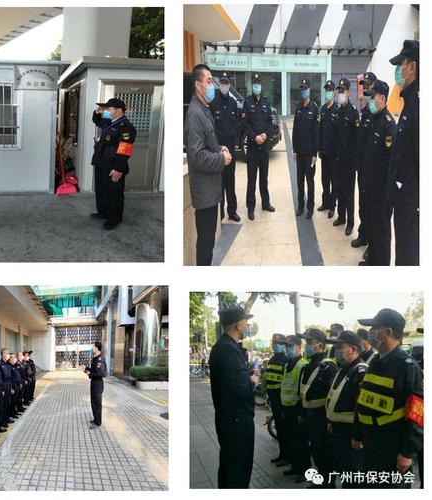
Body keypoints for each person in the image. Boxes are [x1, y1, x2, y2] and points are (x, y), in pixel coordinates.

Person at [353, 309, 423, 488]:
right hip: (370, 442)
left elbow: (416, 414)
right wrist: (357, 434)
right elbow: (364, 400)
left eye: (374, 328)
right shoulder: (374, 362)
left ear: (387, 332)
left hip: (392, 446)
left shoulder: (407, 367)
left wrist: (407, 453)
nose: (370, 332)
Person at [185, 64, 232, 265]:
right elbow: (196, 156)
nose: (212, 85)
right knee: (205, 243)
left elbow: (207, 143)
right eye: (209, 81)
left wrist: (219, 148)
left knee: (208, 241)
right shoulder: (195, 114)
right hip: (204, 192)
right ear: (198, 85)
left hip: (211, 189)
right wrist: (221, 159)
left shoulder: (204, 109)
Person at [209, 306, 259, 488]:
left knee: (229, 467)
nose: (247, 325)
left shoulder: (221, 347)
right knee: (238, 470)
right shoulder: (229, 350)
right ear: (239, 325)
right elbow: (240, 391)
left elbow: (230, 381)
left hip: (228, 419)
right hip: (237, 422)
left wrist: (247, 377)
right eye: (245, 321)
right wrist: (253, 382)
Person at [387, 40, 419, 265]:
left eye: (401, 64)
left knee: (408, 258)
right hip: (403, 199)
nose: (398, 70)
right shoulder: (409, 100)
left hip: (411, 203)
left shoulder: (418, 103)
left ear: (412, 67)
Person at [358, 80, 396, 266]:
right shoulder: (374, 119)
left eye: (372, 97)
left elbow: (392, 162)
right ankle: (372, 261)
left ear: (382, 98)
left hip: (381, 192)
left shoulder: (388, 125)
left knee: (381, 233)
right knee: (372, 228)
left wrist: (388, 192)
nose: (370, 100)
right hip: (370, 187)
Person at [325, 331, 368, 488]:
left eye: (340, 347)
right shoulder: (343, 368)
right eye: (335, 347)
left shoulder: (360, 371)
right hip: (339, 429)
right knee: (343, 469)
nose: (336, 350)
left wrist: (358, 436)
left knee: (353, 474)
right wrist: (332, 421)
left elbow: (361, 408)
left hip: (351, 432)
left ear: (354, 349)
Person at [297, 329, 338, 487]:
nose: (306, 345)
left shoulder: (328, 366)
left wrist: (330, 420)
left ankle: (328, 485)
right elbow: (303, 391)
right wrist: (302, 413)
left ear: (320, 346)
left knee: (325, 451)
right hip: (311, 416)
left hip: (323, 417)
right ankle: (321, 481)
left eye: (309, 342)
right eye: (306, 342)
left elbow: (333, 394)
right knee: (316, 450)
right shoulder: (308, 365)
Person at [91, 98, 137, 230]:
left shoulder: (125, 127)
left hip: (113, 165)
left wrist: (118, 169)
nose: (107, 111)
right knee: (101, 190)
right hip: (101, 162)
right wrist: (97, 112)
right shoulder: (109, 122)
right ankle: (103, 212)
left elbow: (125, 150)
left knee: (113, 193)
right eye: (106, 109)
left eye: (109, 109)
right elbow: (97, 121)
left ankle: (114, 218)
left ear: (119, 110)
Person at [243, 73, 276, 220]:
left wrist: (265, 135)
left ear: (262, 86)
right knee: (251, 180)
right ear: (252, 86)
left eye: (259, 84)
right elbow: (245, 124)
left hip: (264, 149)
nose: (257, 86)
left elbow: (270, 122)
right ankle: (250, 208)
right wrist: (254, 137)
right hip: (252, 149)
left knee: (264, 179)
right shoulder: (247, 102)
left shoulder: (265, 102)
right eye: (255, 84)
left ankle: (265, 203)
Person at [209, 73, 240, 222]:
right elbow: (211, 128)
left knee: (230, 181)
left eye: (226, 83)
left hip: (231, 148)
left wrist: (233, 138)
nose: (224, 85)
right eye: (222, 82)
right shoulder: (213, 102)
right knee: (220, 183)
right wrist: (217, 147)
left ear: (229, 84)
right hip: (218, 150)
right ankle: (220, 213)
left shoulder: (233, 103)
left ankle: (232, 211)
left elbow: (237, 124)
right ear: (219, 84)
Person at [279, 335, 310, 483]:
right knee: (292, 441)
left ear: (298, 347)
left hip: (297, 410)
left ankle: (304, 471)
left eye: (290, 346)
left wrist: (301, 413)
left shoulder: (303, 365)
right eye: (286, 346)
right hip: (287, 408)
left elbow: (303, 391)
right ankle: (295, 467)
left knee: (301, 442)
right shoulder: (287, 364)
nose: (287, 349)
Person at [352, 72, 377, 250]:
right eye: (364, 86)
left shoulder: (377, 116)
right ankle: (363, 235)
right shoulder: (365, 113)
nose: (365, 90)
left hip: (372, 172)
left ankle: (372, 244)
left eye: (368, 86)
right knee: (362, 204)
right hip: (362, 169)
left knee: (371, 207)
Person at [333, 78, 359, 236]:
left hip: (349, 161)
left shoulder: (353, 112)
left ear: (348, 92)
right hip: (338, 159)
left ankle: (350, 222)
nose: (340, 94)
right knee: (339, 190)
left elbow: (357, 139)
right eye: (339, 91)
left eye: (343, 91)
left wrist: (355, 161)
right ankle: (341, 217)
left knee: (349, 193)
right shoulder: (337, 111)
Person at [292, 78, 320, 219]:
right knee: (299, 181)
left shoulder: (314, 108)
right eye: (302, 89)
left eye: (305, 88)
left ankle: (310, 207)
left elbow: (316, 133)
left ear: (310, 90)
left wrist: (315, 153)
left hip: (310, 154)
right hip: (300, 153)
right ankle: (301, 206)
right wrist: (294, 150)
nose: (303, 91)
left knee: (310, 181)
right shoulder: (298, 108)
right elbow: (295, 131)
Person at [265, 333, 289, 466]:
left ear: (284, 345)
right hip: (273, 400)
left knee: (285, 430)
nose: (275, 345)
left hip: (281, 401)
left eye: (277, 343)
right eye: (274, 343)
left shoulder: (285, 360)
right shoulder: (272, 359)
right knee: (279, 429)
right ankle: (282, 454)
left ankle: (287, 456)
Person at [318, 80, 339, 218]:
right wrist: (319, 148)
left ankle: (332, 206)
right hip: (324, 152)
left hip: (334, 153)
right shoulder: (323, 109)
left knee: (334, 181)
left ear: (334, 92)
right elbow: (320, 131)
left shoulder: (337, 110)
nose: (328, 92)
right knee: (324, 179)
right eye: (326, 90)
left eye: (330, 90)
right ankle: (325, 203)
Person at [82, 341, 107, 429]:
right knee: (93, 402)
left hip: (98, 384)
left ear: (96, 348)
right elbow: (93, 370)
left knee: (97, 404)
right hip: (93, 383)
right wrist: (85, 368)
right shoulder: (95, 358)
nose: (92, 348)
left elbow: (100, 373)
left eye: (93, 347)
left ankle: (98, 423)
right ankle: (95, 419)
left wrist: (90, 375)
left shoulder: (100, 359)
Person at [0, 348, 14, 427]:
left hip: (8, 385)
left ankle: (7, 418)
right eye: (7, 353)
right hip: (3, 386)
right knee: (3, 405)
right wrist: (2, 389)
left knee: (8, 403)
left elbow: (10, 377)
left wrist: (11, 387)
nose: (9, 355)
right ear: (3, 354)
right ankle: (2, 421)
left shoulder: (8, 364)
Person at [8, 353, 22, 419]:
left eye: (14, 357)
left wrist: (20, 383)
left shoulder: (15, 366)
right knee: (13, 401)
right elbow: (10, 378)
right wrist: (11, 388)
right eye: (12, 357)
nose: (14, 359)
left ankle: (15, 412)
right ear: (10, 359)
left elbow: (18, 375)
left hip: (17, 385)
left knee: (16, 400)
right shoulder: (9, 366)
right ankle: (12, 414)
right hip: (13, 385)